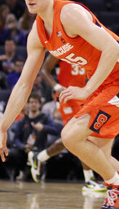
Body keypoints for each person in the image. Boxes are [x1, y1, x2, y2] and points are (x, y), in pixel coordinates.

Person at [0, 0, 119, 209]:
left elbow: (112, 48)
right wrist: (2, 127)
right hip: (103, 84)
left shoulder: (69, 14)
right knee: (103, 159)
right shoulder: (36, 34)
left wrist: (87, 90)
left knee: (70, 136)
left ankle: (116, 186)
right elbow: (25, 84)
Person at [28, 54, 106, 192]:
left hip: (83, 95)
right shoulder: (60, 48)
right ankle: (89, 181)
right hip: (67, 96)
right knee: (78, 136)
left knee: (77, 138)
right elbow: (44, 70)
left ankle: (39, 157)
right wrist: (56, 86)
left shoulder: (87, 45)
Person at [6, 94, 59, 181]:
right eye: (31, 102)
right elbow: (15, 139)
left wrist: (44, 128)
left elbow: (56, 130)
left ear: (39, 104)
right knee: (12, 154)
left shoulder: (44, 118)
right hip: (25, 150)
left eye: (36, 102)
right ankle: (20, 171)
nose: (33, 104)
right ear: (28, 104)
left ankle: (41, 171)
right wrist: (23, 146)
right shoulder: (23, 120)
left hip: (39, 149)